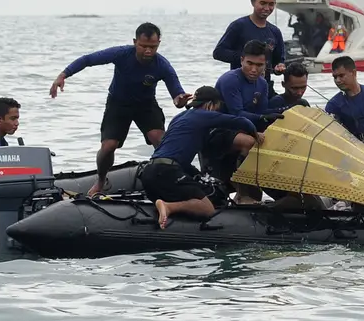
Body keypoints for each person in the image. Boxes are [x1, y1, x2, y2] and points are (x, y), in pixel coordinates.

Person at [48, 22, 193, 197]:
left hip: (146, 105)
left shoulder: (162, 65)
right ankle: (101, 180)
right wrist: (63, 75)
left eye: (153, 47)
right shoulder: (122, 54)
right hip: (118, 104)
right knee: (109, 146)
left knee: (159, 140)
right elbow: (88, 60)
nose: (148, 51)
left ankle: (168, 181)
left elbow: (177, 97)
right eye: (144, 46)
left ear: (159, 44)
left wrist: (180, 100)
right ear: (135, 42)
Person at [140, 86, 260, 229]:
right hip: (167, 171)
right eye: (218, 107)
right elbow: (242, 122)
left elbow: (180, 158)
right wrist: (256, 134)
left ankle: (165, 207)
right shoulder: (204, 114)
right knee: (207, 208)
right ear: (211, 104)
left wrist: (197, 175)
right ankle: (168, 207)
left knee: (194, 189)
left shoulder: (179, 118)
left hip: (149, 172)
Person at [203, 40, 287, 204]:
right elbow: (237, 114)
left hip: (243, 128)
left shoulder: (262, 84)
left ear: (265, 64)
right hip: (218, 131)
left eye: (259, 65)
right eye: (249, 63)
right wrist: (262, 118)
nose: (254, 69)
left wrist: (282, 113)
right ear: (241, 60)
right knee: (250, 142)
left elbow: (260, 113)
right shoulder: (230, 80)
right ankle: (241, 193)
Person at [212, 0, 287, 98]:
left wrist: (279, 68)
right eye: (262, 3)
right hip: (240, 88)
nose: (267, 8)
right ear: (253, 2)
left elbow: (278, 61)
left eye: (271, 4)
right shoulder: (238, 26)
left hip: (265, 88)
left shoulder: (275, 32)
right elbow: (218, 53)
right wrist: (247, 59)